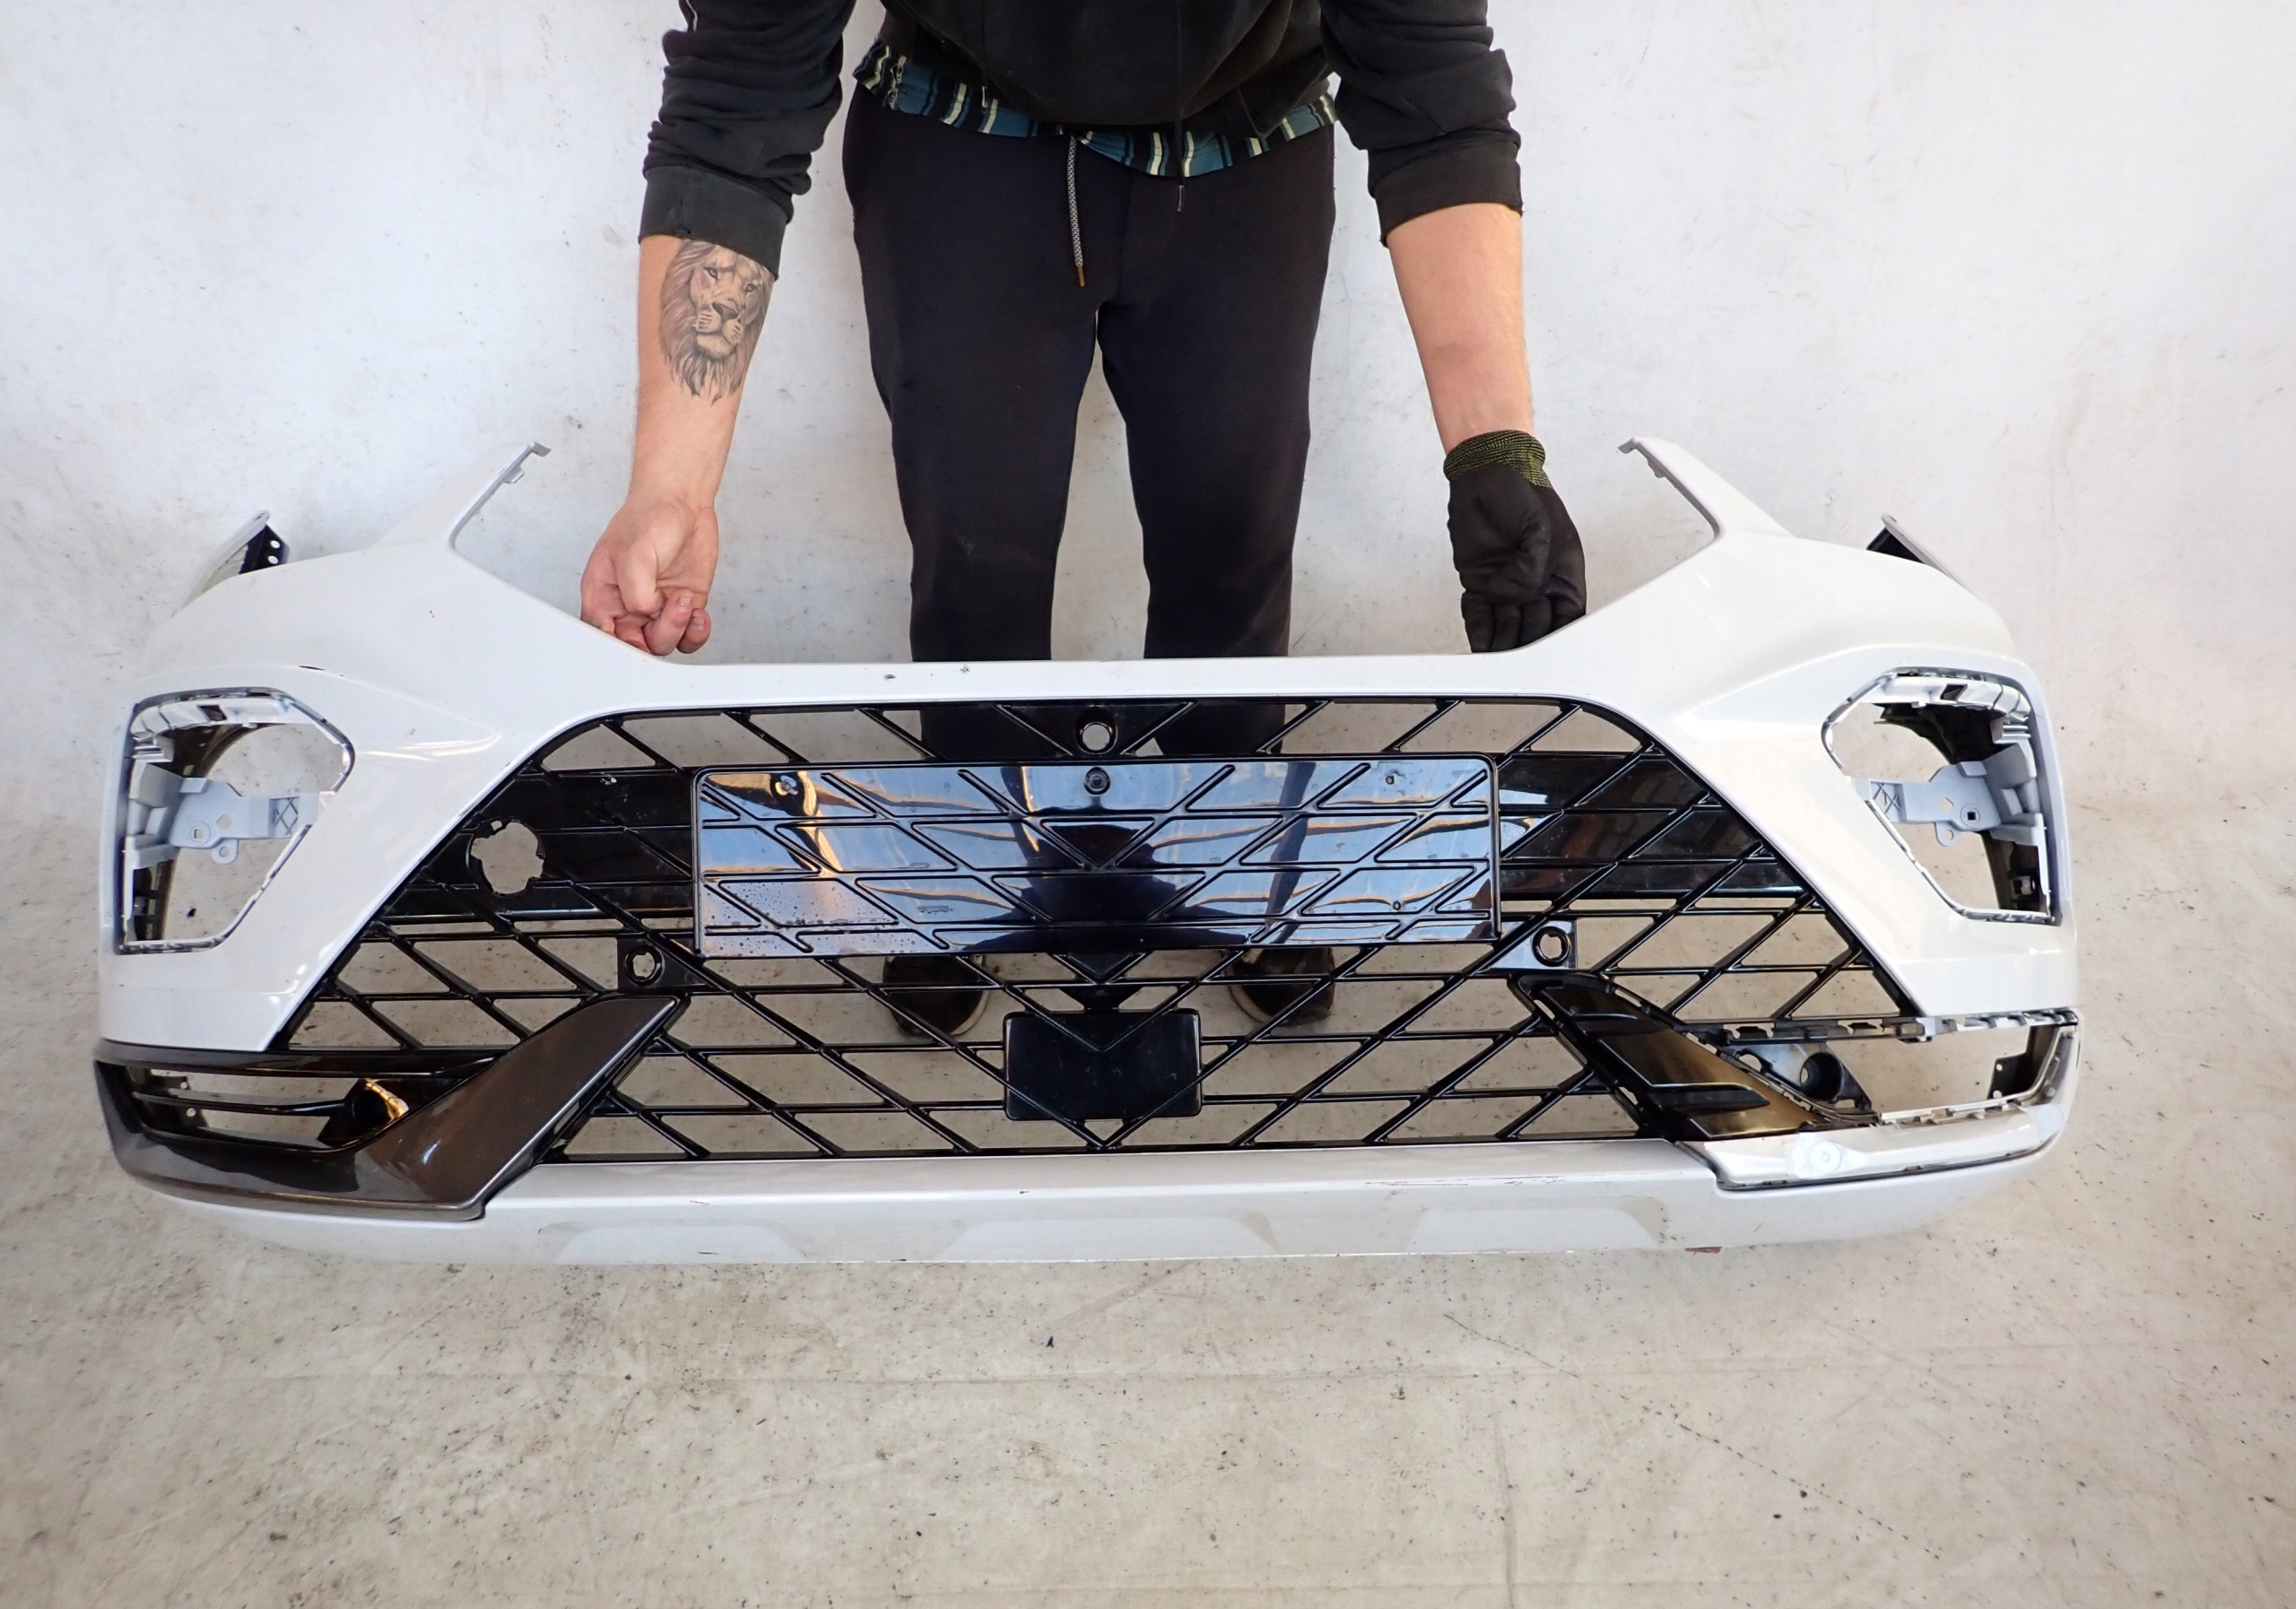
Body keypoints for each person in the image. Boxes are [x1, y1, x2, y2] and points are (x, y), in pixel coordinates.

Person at [581, 0, 1587, 1036]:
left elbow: (1430, 89)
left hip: (1245, 152)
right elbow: (738, 99)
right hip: (961, 143)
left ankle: (1230, 843)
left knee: (1232, 541)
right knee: (974, 558)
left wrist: (1493, 453)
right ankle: (973, 854)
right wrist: (672, 488)